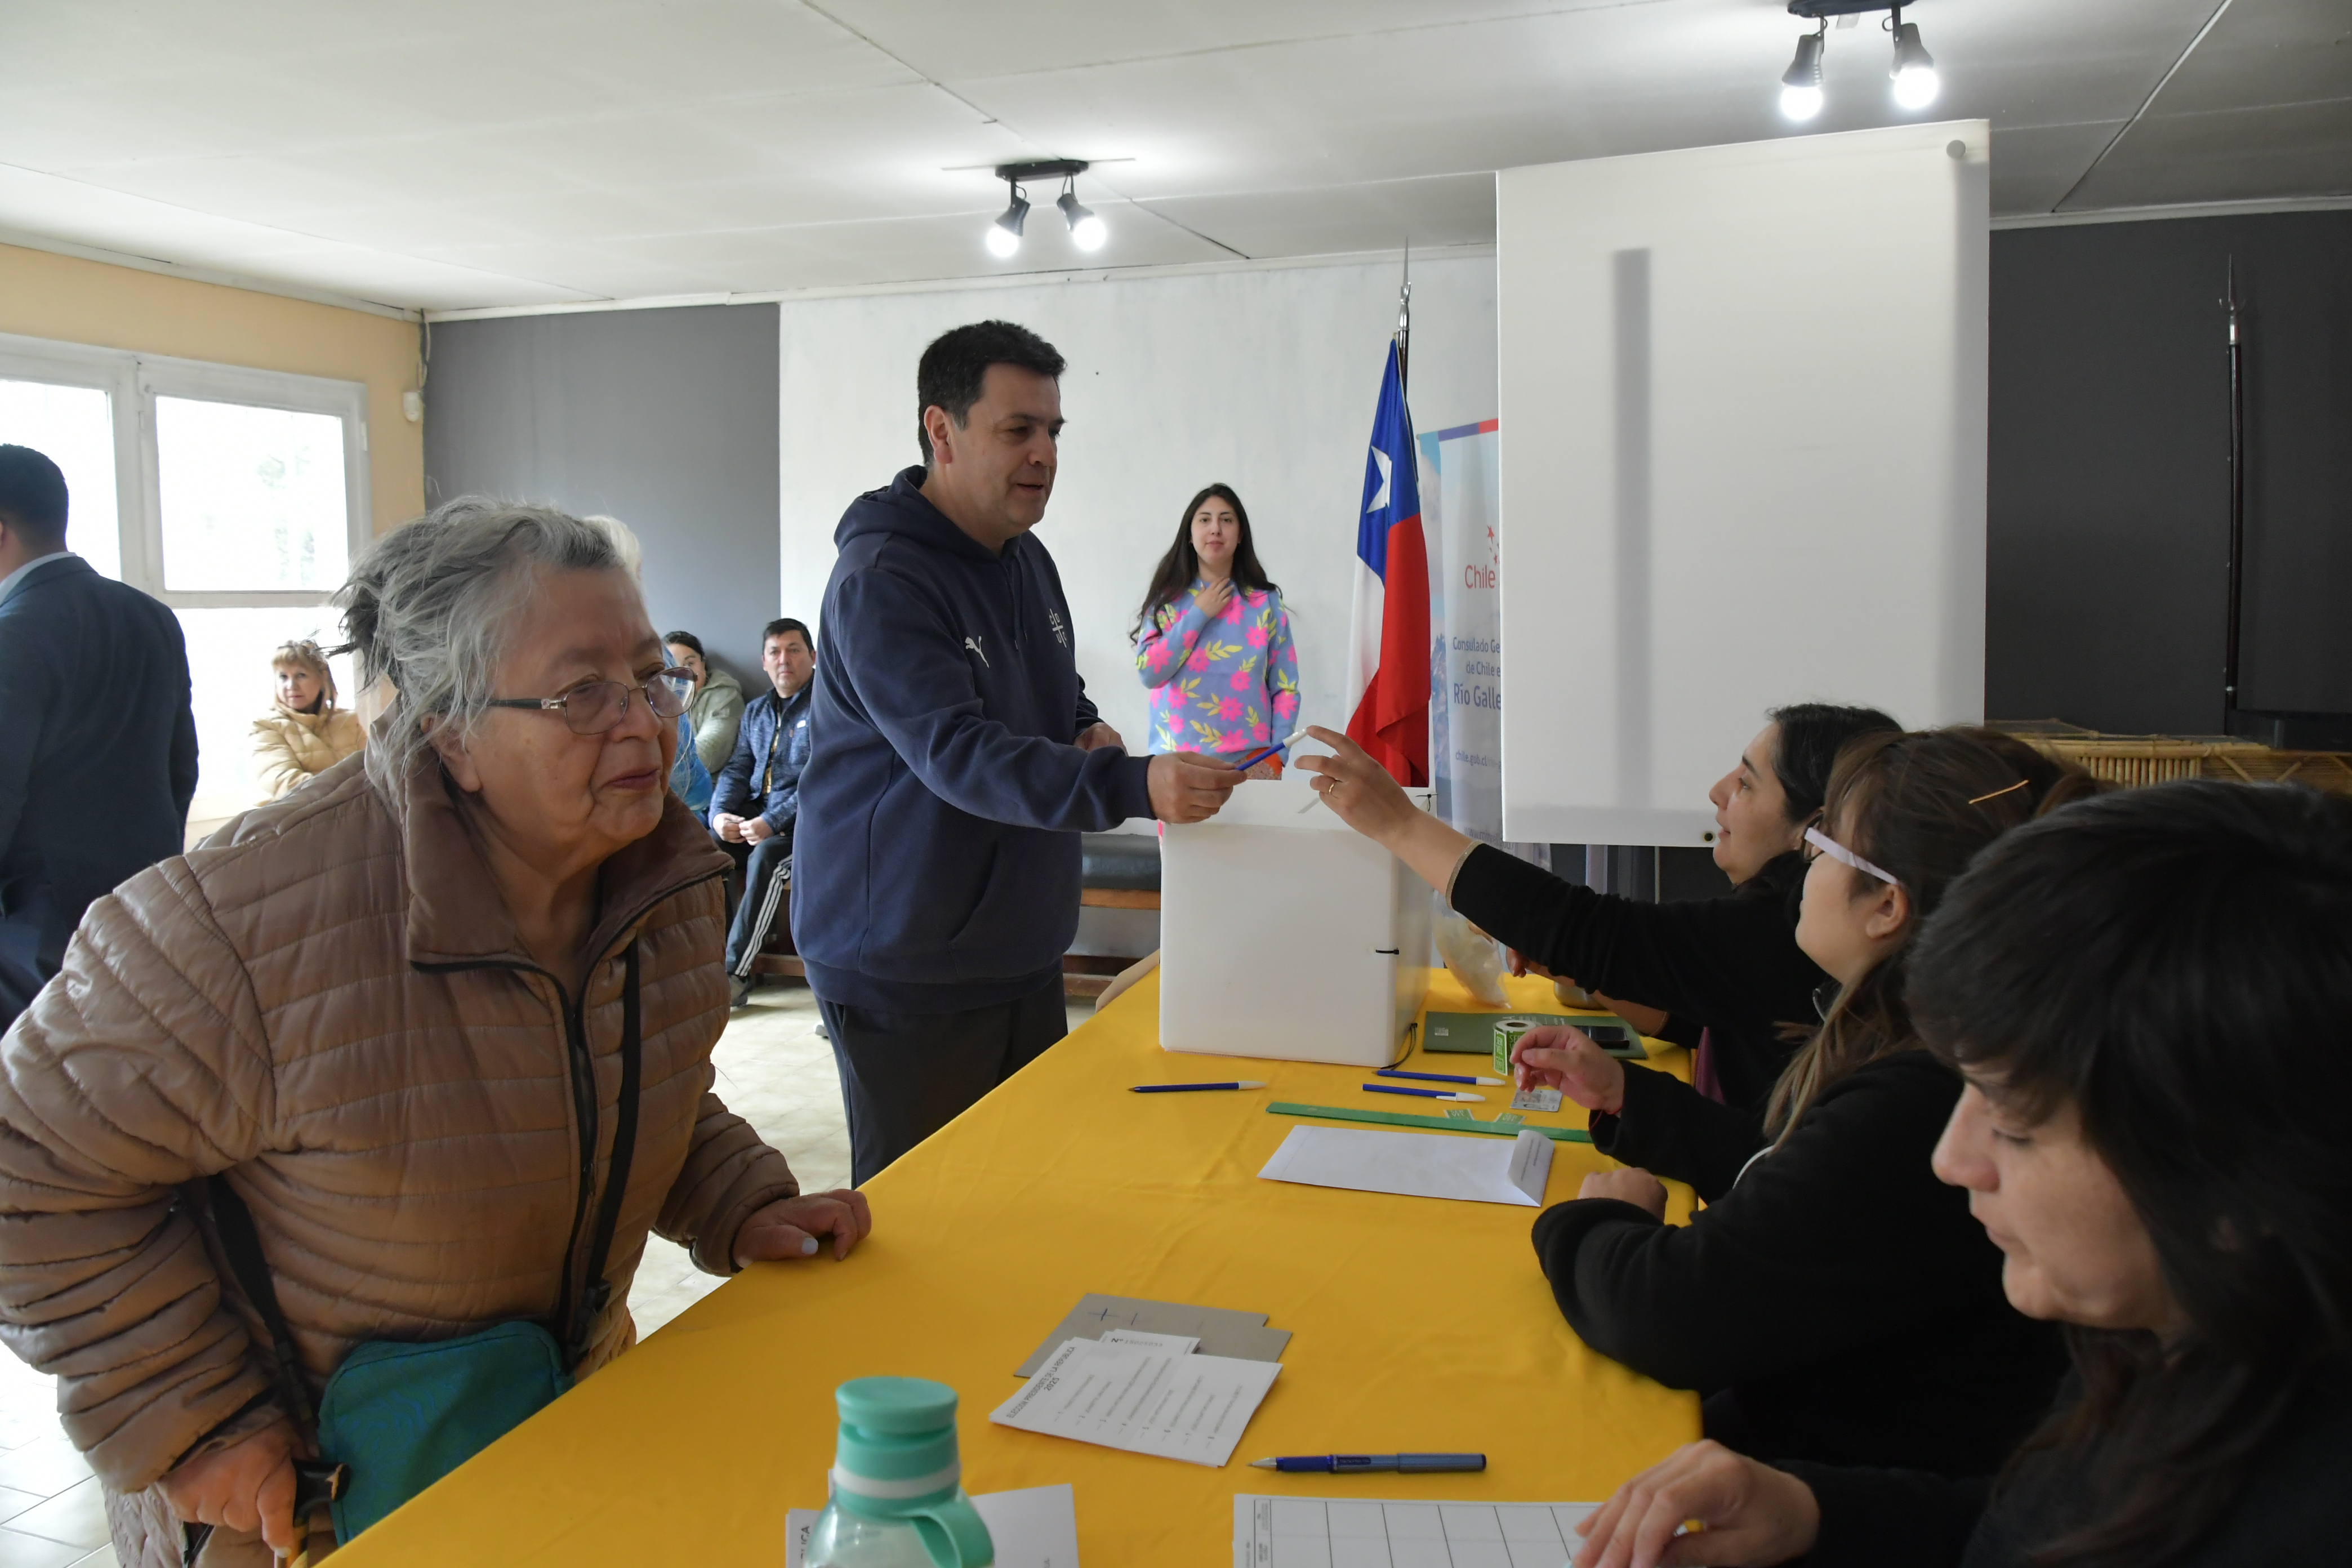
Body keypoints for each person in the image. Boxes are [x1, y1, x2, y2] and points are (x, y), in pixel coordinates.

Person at [0, 498, 871, 1566]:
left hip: (551, 1439)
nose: (643, 722)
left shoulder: (663, 875)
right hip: (302, 1510)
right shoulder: (232, 926)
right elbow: (26, 1169)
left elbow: (628, 1075)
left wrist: (739, 1200)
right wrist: (192, 1421)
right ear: (449, 729)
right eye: (581, 690)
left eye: (652, 677)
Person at [1571, 780, 2352, 1568]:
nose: (1955, 1158)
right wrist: (1813, 1512)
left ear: (2246, 1173)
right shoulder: (2176, 1342)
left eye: (2016, 1121)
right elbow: (2029, 1531)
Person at [1304, 725, 2085, 1475]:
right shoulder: (1903, 1050)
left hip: (1828, 1467)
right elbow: (1792, 1177)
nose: (1800, 869)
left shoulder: (1914, 1094)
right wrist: (1628, 1097)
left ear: (1887, 907)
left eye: (1819, 847)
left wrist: (1600, 1219)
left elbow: (1669, 1309)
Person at [792, 320, 1241, 1185]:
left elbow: (1053, 692)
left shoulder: (1026, 559)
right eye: (1017, 430)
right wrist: (1130, 781)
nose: (1044, 453)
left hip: (1019, 945)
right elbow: (958, 753)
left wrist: (1088, 726)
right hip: (905, 960)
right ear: (941, 431)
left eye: (1053, 432)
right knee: (931, 1220)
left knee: (1026, 1192)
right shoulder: (882, 580)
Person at [1325, 705, 1899, 1111]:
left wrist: (1400, 823)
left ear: (1816, 832)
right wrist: (1572, 966)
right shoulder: (1779, 939)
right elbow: (1699, 1020)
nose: (1718, 791)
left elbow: (1588, 928)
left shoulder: (1781, 934)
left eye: (1748, 785)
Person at [0, 443, 197, 1032]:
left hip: (36, 929)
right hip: (148, 905)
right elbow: (180, 766)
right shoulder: (150, 616)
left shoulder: (12, 635)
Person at [1132, 483, 1300, 777]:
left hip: (1252, 762)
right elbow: (1150, 673)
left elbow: (1285, 686)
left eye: (1226, 520)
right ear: (1190, 534)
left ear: (1240, 535)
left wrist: (1277, 755)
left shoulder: (1265, 602)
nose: (1215, 529)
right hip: (1177, 763)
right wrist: (1199, 614)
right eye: (1205, 519)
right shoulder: (1166, 601)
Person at [711, 617, 816, 1004]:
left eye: (794, 650)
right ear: (763, 662)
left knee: (768, 856)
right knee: (710, 850)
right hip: (757, 817)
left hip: (807, 829)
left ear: (813, 656)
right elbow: (738, 768)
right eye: (775, 651)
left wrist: (772, 823)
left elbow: (820, 779)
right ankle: (717, 962)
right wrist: (721, 814)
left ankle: (734, 975)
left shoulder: (829, 703)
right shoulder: (756, 711)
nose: (784, 659)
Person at [250, 638, 364, 801]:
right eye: (283, 677)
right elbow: (286, 785)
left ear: (323, 678)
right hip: (291, 822)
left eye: (301, 675)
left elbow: (375, 774)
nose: (291, 686)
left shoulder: (352, 721)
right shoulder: (266, 726)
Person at [665, 629, 745, 774]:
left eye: (690, 664)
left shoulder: (726, 697)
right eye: (673, 667)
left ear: (703, 663)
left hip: (708, 787)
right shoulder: (657, 700)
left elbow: (708, 754)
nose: (683, 672)